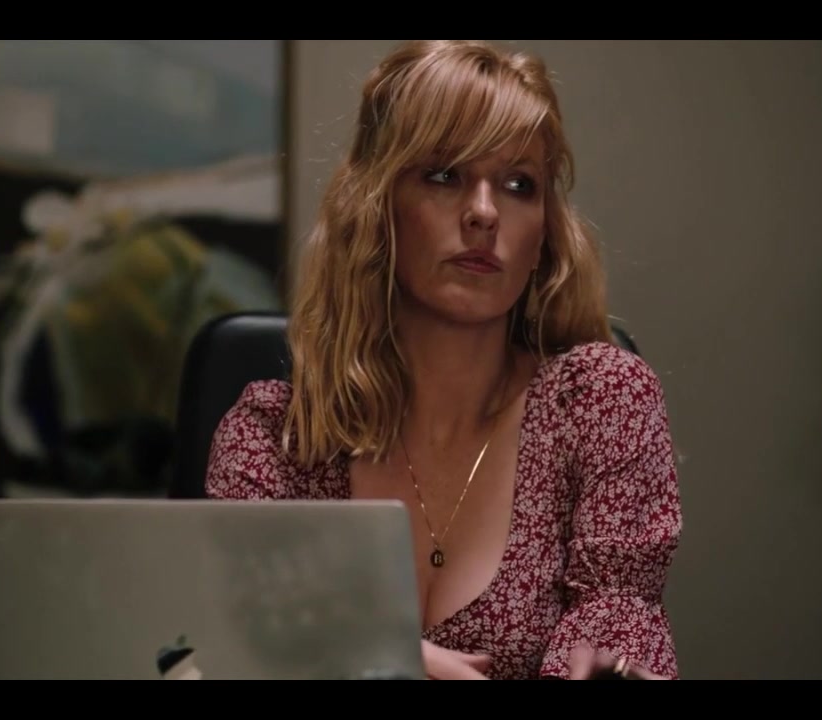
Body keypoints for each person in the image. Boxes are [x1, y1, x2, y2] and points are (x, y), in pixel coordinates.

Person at [205, 39, 682, 680]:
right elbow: (238, 651)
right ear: (377, 207)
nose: (483, 212)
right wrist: (377, 657)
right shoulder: (274, 441)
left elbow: (617, 617)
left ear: (543, 233)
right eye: (444, 174)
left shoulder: (599, 405)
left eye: (518, 185)